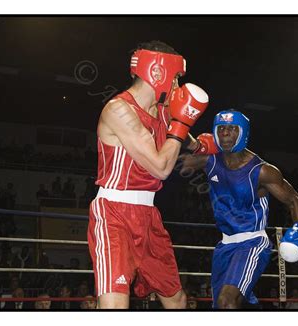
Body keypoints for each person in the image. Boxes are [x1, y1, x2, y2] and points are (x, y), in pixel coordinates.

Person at [87, 40, 209, 309]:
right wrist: (181, 122)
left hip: (148, 215)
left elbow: (184, 137)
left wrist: (202, 146)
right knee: (115, 306)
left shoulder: (165, 110)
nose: (178, 86)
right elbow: (161, 167)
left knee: (177, 300)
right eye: (176, 78)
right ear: (157, 72)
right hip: (114, 214)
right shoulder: (119, 110)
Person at [179, 109, 298, 309]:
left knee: (227, 301)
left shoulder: (262, 171)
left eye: (231, 129)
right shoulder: (210, 161)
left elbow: (294, 200)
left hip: (252, 243)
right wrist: (177, 127)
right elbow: (173, 163)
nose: (225, 133)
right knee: (223, 306)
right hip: (224, 246)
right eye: (221, 128)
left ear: (243, 132)